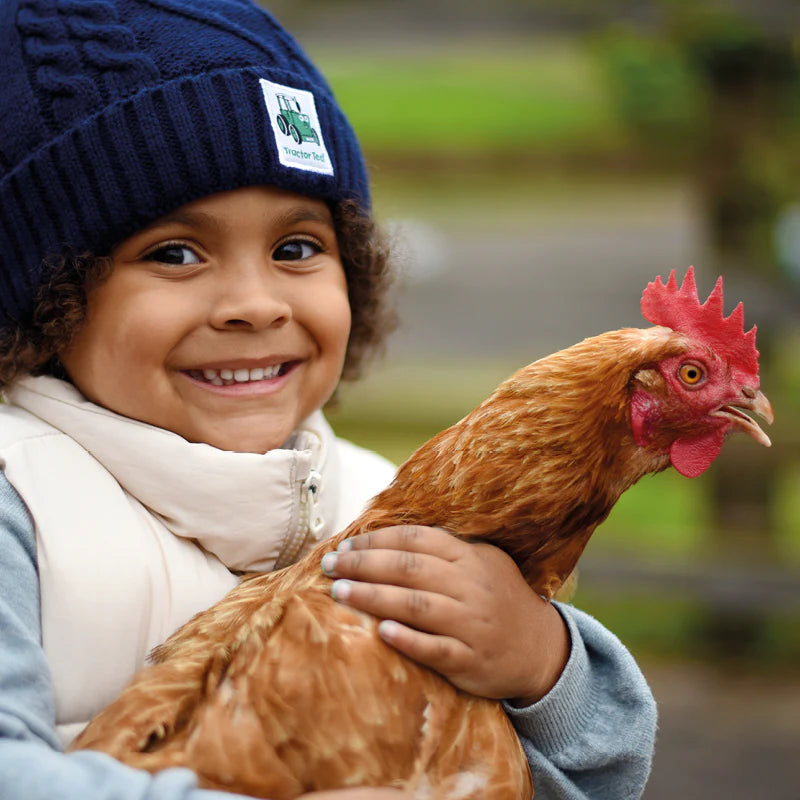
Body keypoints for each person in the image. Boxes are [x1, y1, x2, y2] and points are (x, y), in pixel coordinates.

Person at [0, 1, 657, 799]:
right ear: (48, 300)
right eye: (174, 253)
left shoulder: (377, 500)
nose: (256, 302)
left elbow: (587, 779)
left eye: (296, 248)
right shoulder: (22, 499)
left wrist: (541, 665)